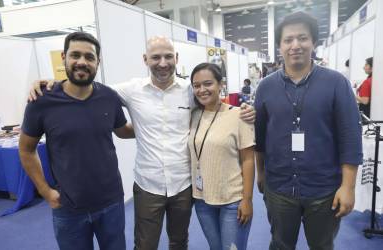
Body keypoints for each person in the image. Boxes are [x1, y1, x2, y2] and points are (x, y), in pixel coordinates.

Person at [28, 36, 255, 250]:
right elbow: (88, 88)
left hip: (183, 184)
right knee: (145, 244)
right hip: (148, 184)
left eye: (168, 57)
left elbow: (213, 103)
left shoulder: (190, 89)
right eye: (155, 57)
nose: (162, 63)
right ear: (145, 60)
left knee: (179, 242)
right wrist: (55, 83)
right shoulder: (129, 90)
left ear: (176, 58)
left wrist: (243, 109)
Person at [255, 12, 362, 250]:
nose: (295, 45)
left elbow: (350, 139)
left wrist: (348, 187)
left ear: (313, 42)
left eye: (302, 38)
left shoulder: (337, 83)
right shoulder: (265, 87)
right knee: (281, 244)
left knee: (322, 246)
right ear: (279, 46)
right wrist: (261, 174)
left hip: (324, 190)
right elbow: (260, 137)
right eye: (288, 40)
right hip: (280, 187)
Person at [19, 32, 134, 250]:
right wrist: (45, 191)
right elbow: (26, 150)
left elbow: (123, 131)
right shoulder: (42, 100)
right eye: (75, 55)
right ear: (64, 57)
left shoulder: (108, 97)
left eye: (89, 57)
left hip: (111, 203)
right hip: (68, 208)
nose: (82, 62)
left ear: (97, 63)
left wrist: (158, 125)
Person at [189, 63, 255, 250]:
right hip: (202, 200)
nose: (202, 90)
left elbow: (248, 160)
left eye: (208, 84)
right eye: (196, 85)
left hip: (232, 201)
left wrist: (247, 200)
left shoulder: (239, 115)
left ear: (220, 85)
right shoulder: (193, 115)